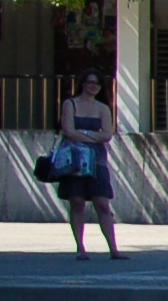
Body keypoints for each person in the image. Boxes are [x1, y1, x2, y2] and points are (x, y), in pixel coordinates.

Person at [51, 67, 121, 258]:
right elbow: (68, 131)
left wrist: (83, 136)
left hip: (96, 160)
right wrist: (92, 136)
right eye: (90, 82)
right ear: (83, 83)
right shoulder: (70, 104)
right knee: (77, 201)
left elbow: (107, 135)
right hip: (74, 159)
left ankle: (113, 249)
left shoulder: (103, 108)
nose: (93, 86)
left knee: (102, 203)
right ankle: (80, 247)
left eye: (97, 83)